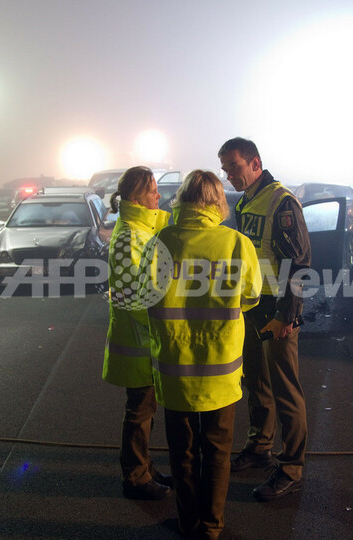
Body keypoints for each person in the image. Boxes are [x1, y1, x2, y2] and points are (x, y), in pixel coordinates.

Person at [144, 170, 261, 539]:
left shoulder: (161, 241)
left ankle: (187, 522)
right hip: (221, 374)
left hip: (176, 370)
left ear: (182, 200)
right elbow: (251, 297)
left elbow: (146, 294)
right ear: (216, 201)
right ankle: (212, 527)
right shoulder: (237, 244)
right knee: (218, 453)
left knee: (183, 454)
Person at [218, 137, 311, 502]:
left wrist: (287, 315)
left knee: (285, 389)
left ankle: (291, 467)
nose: (229, 176)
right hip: (252, 305)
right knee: (255, 380)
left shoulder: (281, 201)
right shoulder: (246, 200)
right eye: (225, 169)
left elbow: (299, 265)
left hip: (276, 308)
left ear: (255, 163)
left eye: (234, 167)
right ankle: (260, 447)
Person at [102, 166, 172, 500]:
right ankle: (135, 476)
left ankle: (144, 466)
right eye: (152, 190)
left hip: (142, 338)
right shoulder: (130, 234)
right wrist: (162, 328)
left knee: (145, 409)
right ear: (135, 198)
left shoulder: (140, 230)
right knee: (139, 410)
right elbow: (135, 296)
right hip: (138, 339)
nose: (158, 196)